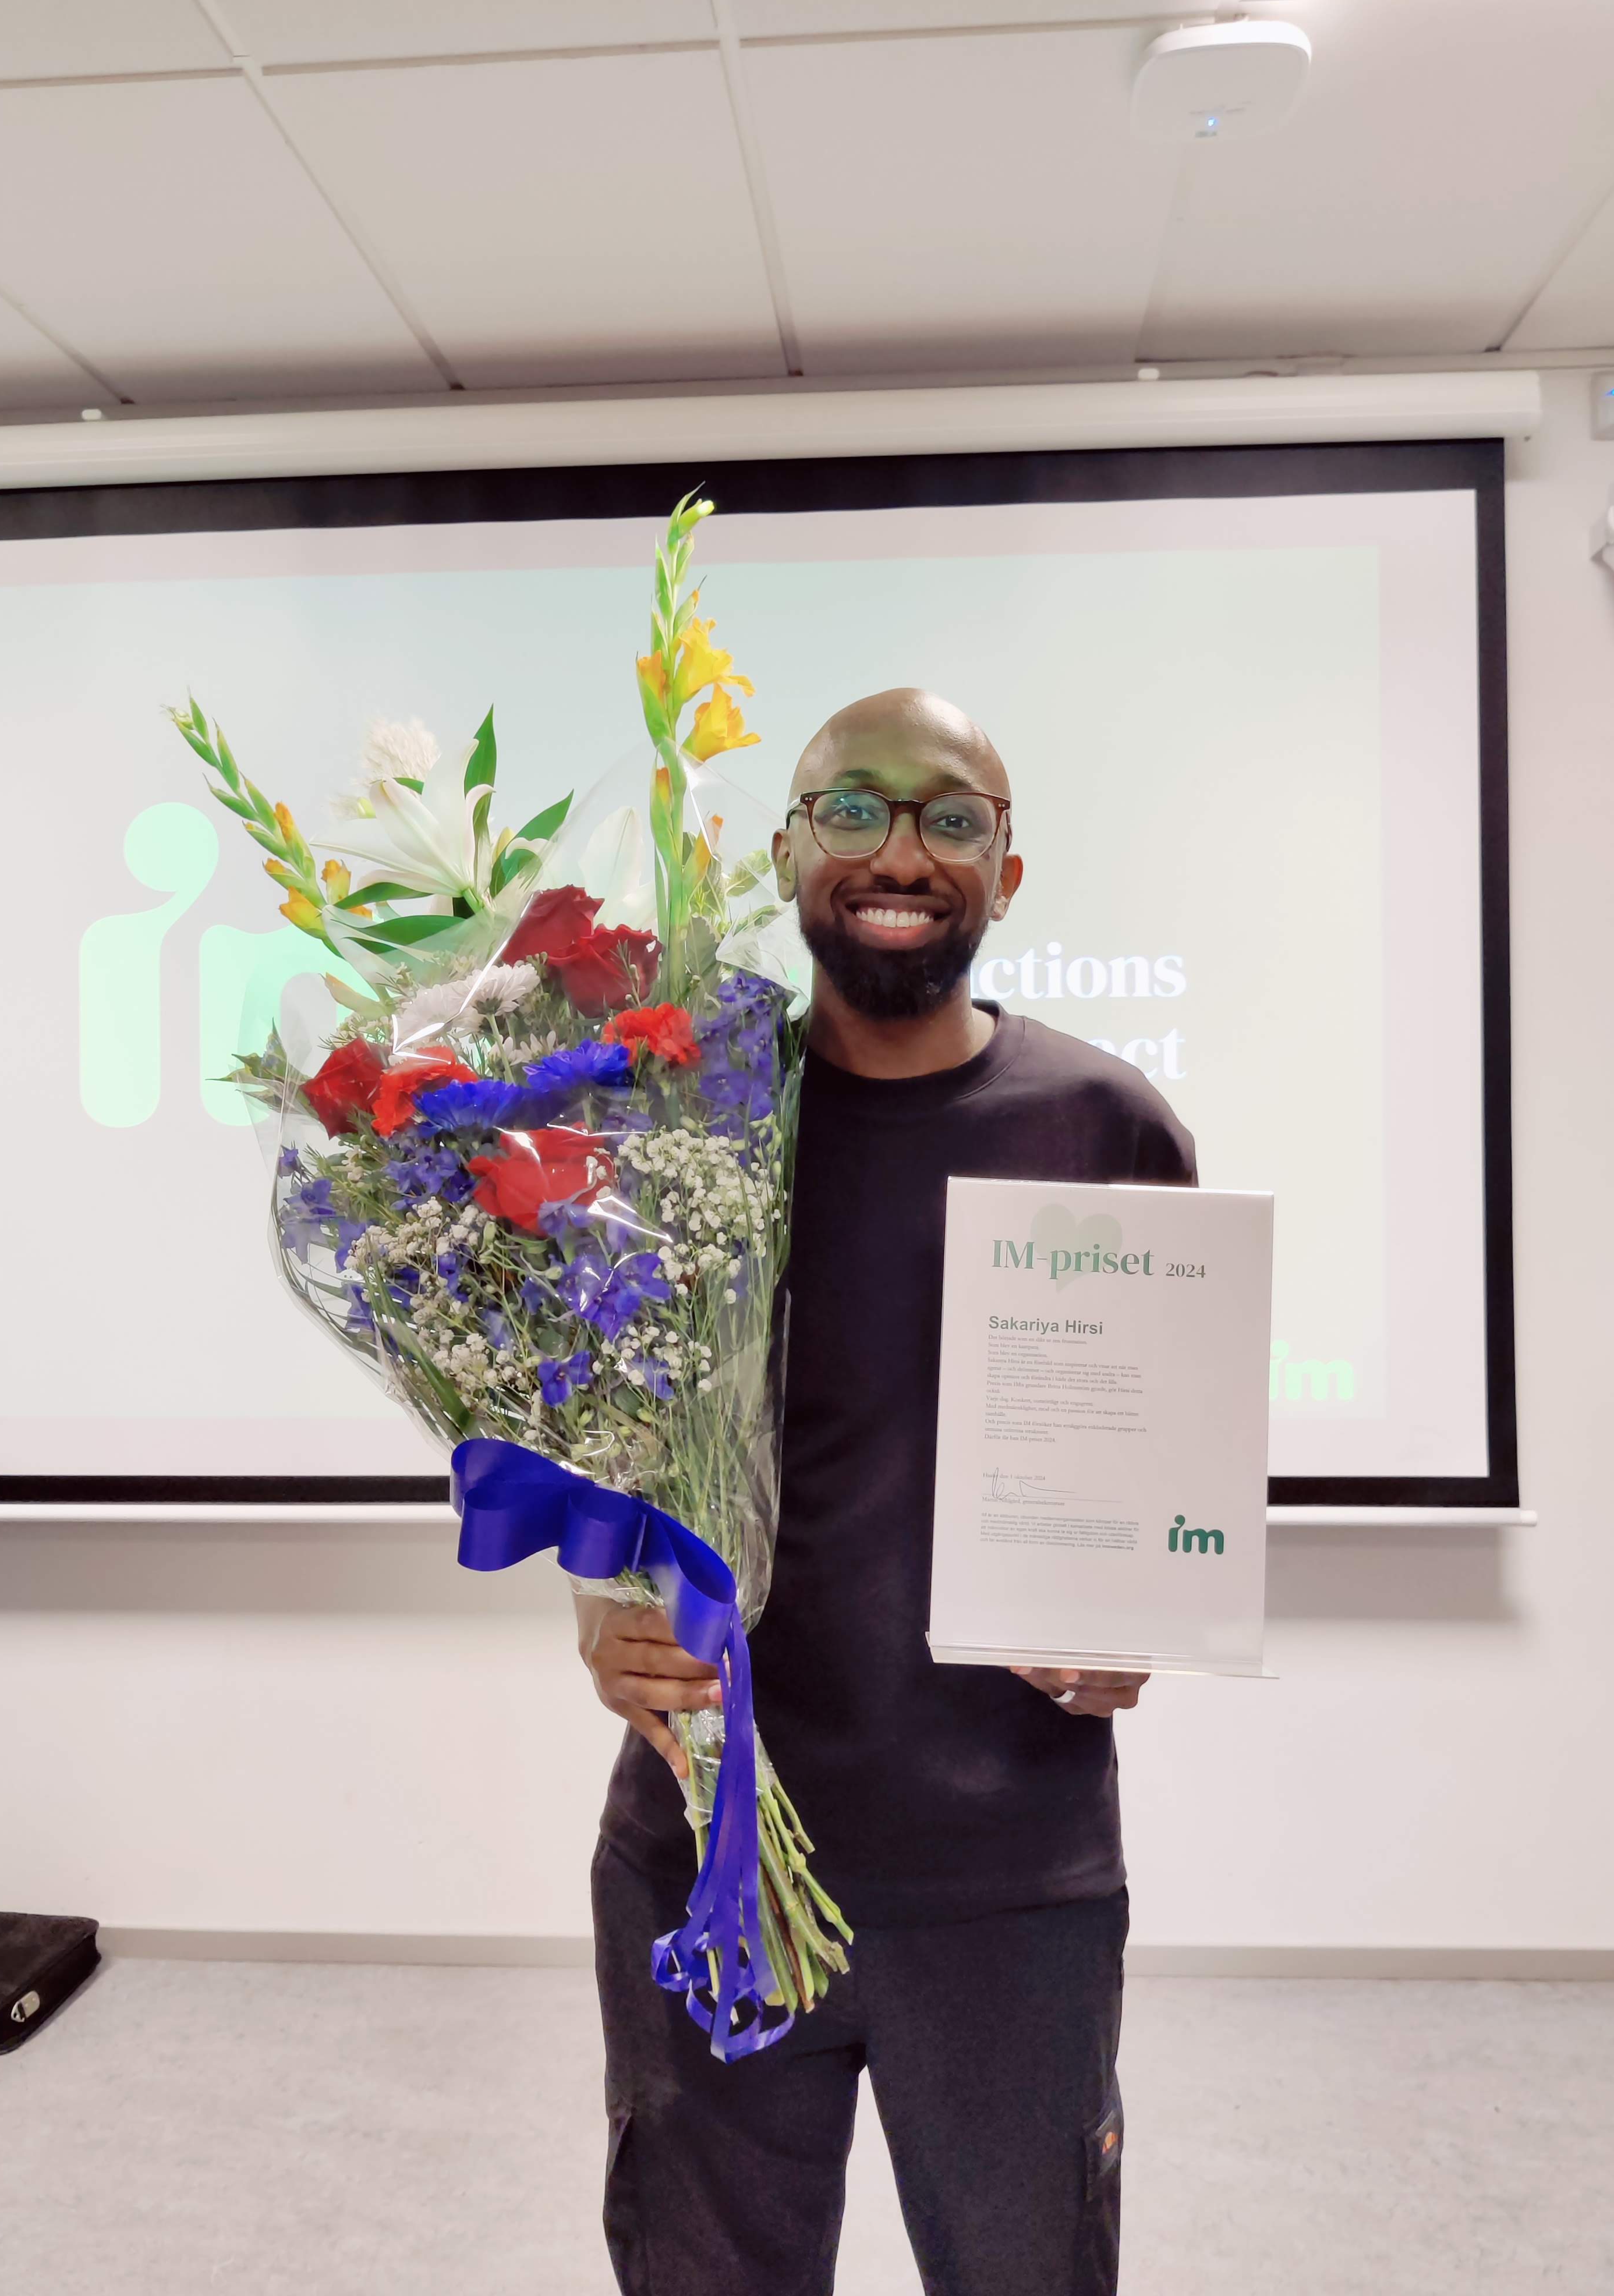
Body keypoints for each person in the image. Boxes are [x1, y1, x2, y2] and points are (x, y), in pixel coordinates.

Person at [578, 688, 1198, 2296]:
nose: (900, 854)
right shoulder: (687, 1132)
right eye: (853, 810)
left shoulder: (1108, 1128)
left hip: (1008, 1881)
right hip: (711, 1850)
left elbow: (1157, 1462)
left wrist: (1132, 1614)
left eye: (951, 818)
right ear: (789, 851)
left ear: (1008, 871)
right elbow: (593, 1422)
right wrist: (599, 1601)